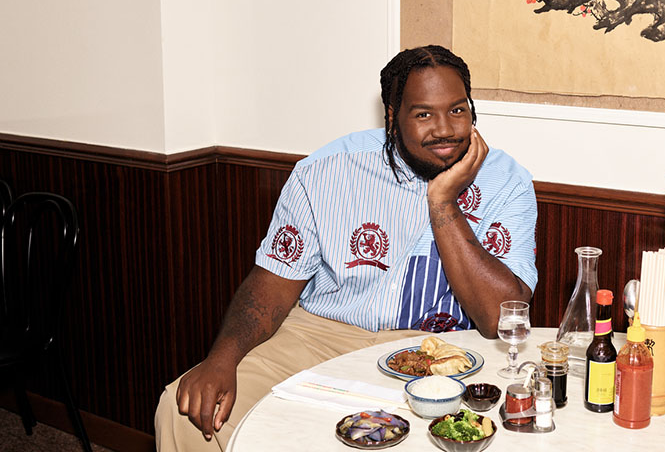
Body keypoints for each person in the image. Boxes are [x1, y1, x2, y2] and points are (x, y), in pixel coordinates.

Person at [154, 45, 538, 450]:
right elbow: (272, 284)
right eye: (423, 114)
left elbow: (497, 319)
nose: (444, 129)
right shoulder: (325, 170)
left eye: (457, 110)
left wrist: (443, 203)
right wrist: (221, 359)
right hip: (319, 336)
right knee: (183, 410)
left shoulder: (506, 182)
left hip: (435, 352)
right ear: (392, 116)